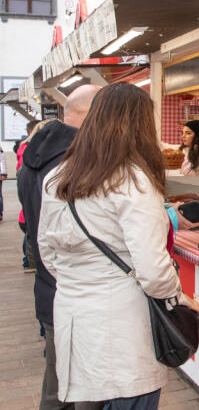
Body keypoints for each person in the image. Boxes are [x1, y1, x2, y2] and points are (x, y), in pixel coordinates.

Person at [37, 83, 199, 408]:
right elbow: (155, 273)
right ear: (141, 126)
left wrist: (82, 282)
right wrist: (180, 296)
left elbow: (49, 254)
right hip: (123, 328)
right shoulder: (132, 180)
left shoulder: (57, 178)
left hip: (73, 319)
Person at [18, 84, 101, 410]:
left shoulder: (34, 157)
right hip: (77, 295)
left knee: (57, 389)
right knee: (81, 393)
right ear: (93, 115)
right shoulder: (73, 164)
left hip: (49, 289)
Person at [18, 119, 54, 273]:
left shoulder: (25, 156)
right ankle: (29, 262)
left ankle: (30, 263)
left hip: (28, 214)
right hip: (38, 215)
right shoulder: (53, 165)